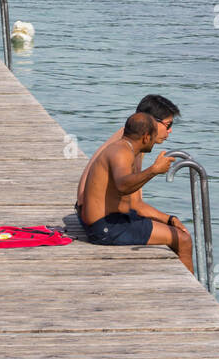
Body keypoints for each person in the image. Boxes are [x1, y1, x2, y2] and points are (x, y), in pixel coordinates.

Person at [76, 94, 192, 260]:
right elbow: (133, 200)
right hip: (102, 224)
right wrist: (154, 170)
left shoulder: (124, 139)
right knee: (182, 239)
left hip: (89, 215)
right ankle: (189, 286)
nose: (170, 131)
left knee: (165, 227)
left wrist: (168, 219)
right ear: (149, 123)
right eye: (168, 125)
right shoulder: (127, 150)